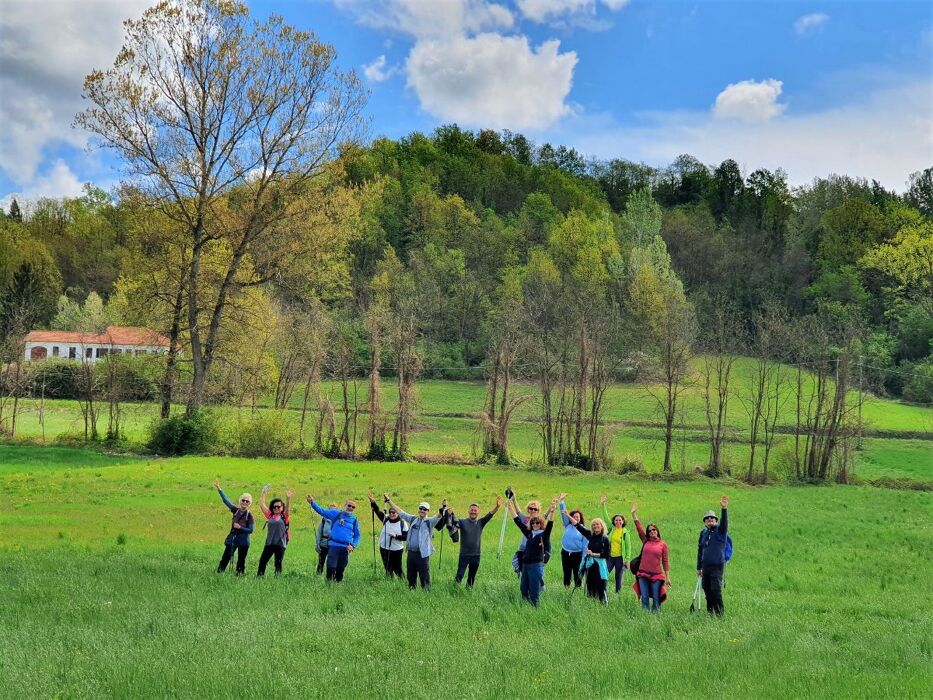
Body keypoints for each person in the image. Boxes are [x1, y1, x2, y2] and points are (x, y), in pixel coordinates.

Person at [385, 494, 444, 590]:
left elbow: (437, 517)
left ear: (428, 511)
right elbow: (400, 511)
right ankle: (412, 591)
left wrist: (441, 511)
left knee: (424, 575)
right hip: (411, 553)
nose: (422, 510)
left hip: (423, 554)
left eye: (425, 509)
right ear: (418, 509)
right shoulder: (412, 519)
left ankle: (426, 593)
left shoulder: (429, 522)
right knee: (410, 575)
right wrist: (388, 501)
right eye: (421, 508)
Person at [508, 497, 555, 607]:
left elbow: (550, 526)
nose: (534, 524)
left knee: (534, 591)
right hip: (525, 565)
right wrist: (510, 508)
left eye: (537, 522)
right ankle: (525, 608)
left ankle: (535, 609)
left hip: (536, 565)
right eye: (533, 522)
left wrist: (552, 511)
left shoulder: (543, 535)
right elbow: (518, 522)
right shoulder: (529, 534)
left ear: (541, 523)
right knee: (523, 589)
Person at [448, 496, 502, 587]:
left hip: (476, 555)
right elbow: (453, 519)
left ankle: (469, 592)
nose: (473, 512)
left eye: (475, 510)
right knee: (459, 575)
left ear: (478, 512)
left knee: (472, 577)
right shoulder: (462, 522)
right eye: (472, 510)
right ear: (468, 511)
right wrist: (449, 512)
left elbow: (490, 515)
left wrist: (497, 506)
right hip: (464, 554)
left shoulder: (481, 522)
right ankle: (454, 590)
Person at [307, 495, 360, 582]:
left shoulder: (354, 519)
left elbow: (357, 535)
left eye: (353, 507)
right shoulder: (336, 514)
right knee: (331, 567)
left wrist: (353, 546)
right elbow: (321, 511)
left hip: (345, 548)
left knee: (341, 568)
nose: (350, 508)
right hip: (334, 545)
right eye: (349, 505)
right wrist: (312, 502)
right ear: (345, 505)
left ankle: (337, 584)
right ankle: (328, 584)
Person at [631, 502, 671, 612]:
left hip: (657, 576)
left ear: (657, 531)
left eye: (654, 529)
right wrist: (634, 514)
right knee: (644, 597)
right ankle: (645, 618)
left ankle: (655, 618)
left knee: (656, 597)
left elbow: (665, 562)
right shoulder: (646, 541)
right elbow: (639, 529)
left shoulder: (663, 544)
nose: (652, 531)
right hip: (642, 574)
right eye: (649, 531)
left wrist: (667, 577)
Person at [697, 495, 730, 616]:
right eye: (707, 518)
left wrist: (724, 509)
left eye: (712, 518)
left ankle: (720, 614)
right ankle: (711, 613)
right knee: (707, 590)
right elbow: (700, 551)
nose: (710, 519)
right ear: (705, 522)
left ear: (716, 520)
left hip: (717, 566)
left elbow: (725, 523)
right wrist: (698, 567)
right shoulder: (703, 533)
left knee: (716, 590)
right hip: (705, 567)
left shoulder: (721, 532)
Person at [214, 479, 255, 575]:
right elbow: (226, 501)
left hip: (244, 541)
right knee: (226, 556)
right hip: (233, 538)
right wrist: (219, 489)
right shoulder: (235, 510)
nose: (245, 502)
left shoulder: (250, 515)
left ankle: (239, 575)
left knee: (241, 560)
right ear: (240, 501)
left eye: (247, 501)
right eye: (243, 500)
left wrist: (240, 527)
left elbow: (251, 530)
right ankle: (219, 573)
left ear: (250, 503)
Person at [367, 490, 408, 578]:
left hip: (397, 549)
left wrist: (396, 536)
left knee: (398, 568)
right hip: (384, 548)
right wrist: (373, 502)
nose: (392, 514)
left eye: (394, 512)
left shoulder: (402, 523)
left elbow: (406, 537)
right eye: (390, 512)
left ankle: (402, 582)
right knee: (388, 568)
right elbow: (377, 511)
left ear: (397, 513)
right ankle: (390, 583)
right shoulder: (385, 519)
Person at [256, 485, 293, 576]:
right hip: (269, 543)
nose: (276, 508)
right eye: (274, 507)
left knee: (278, 564)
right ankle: (259, 578)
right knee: (263, 561)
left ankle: (277, 580)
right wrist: (263, 493)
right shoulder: (270, 515)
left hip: (280, 543)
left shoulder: (284, 516)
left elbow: (287, 509)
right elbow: (262, 504)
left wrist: (288, 499)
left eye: (278, 506)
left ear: (282, 507)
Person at [600, 495, 632, 594]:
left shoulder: (625, 532)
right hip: (610, 557)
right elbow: (605, 517)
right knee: (604, 573)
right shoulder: (612, 529)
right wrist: (603, 504)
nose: (618, 521)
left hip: (620, 558)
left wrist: (627, 560)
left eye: (620, 520)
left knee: (618, 576)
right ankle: (602, 590)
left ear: (623, 522)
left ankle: (618, 594)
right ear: (614, 521)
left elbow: (628, 547)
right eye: (616, 520)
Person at [574, 517, 611, 603]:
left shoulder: (605, 538)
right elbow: (579, 527)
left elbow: (606, 555)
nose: (595, 526)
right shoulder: (591, 536)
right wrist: (567, 515)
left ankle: (604, 605)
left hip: (600, 567)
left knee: (601, 586)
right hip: (590, 565)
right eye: (593, 525)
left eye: (597, 524)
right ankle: (592, 606)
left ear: (602, 526)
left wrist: (593, 554)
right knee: (590, 586)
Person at [557, 493, 587, 588]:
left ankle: (577, 589)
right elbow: (563, 514)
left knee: (577, 573)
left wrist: (583, 557)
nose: (575, 518)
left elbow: (585, 545)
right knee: (566, 572)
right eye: (574, 516)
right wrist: (561, 501)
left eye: (577, 517)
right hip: (565, 553)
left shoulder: (583, 529)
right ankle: (566, 588)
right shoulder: (567, 525)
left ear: (580, 518)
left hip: (577, 555)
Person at [313, 501, 338, 575]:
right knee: (321, 561)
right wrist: (317, 544)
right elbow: (319, 532)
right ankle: (318, 575)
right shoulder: (324, 520)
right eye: (330, 510)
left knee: (332, 562)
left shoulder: (338, 521)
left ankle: (331, 576)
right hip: (323, 543)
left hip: (333, 544)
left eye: (334, 510)